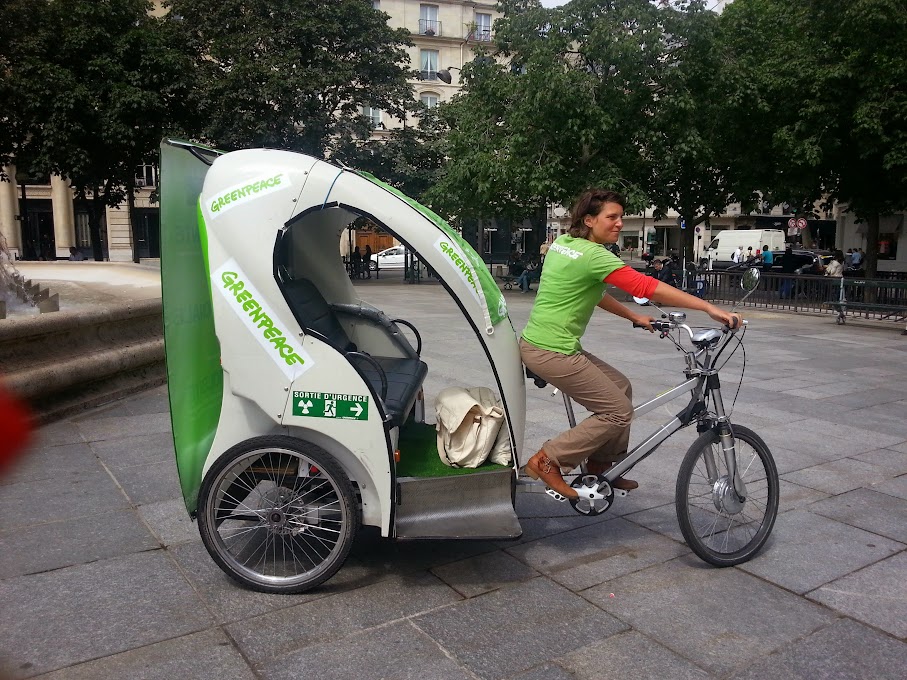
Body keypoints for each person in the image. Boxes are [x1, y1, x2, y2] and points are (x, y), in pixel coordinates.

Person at [519, 189, 740, 500]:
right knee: (618, 412)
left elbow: (593, 292)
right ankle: (548, 460)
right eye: (612, 217)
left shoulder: (565, 245)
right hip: (552, 351)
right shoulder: (595, 256)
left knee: (621, 388)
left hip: (543, 343)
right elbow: (647, 286)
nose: (620, 223)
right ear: (589, 220)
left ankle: (600, 466)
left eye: (621, 217)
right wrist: (707, 308)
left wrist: (633, 316)